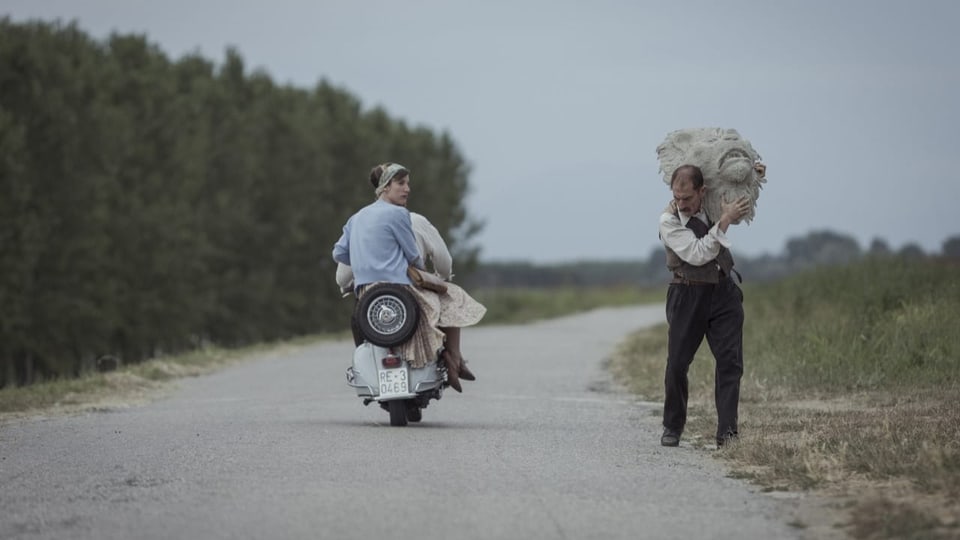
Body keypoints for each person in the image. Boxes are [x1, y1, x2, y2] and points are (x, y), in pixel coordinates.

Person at [332, 162, 485, 392]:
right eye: (401, 184)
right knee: (453, 296)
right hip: (400, 289)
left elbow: (338, 254)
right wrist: (423, 274)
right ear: (385, 187)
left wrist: (364, 260)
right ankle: (454, 358)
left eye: (407, 184)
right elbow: (413, 256)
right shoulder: (398, 214)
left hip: (367, 295)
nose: (407, 189)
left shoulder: (356, 218)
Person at [658, 164, 752, 448]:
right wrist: (723, 222)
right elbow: (698, 254)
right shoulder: (669, 220)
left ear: (703, 191)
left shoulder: (714, 202)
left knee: (730, 363)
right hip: (687, 293)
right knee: (677, 364)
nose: (682, 204)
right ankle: (672, 426)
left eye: (688, 197)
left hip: (723, 293)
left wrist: (753, 172)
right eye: (677, 197)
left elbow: (738, 186)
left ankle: (727, 434)